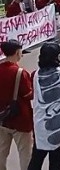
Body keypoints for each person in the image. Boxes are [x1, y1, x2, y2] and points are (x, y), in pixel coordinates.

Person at [28, 43, 60, 170]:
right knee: (56, 164)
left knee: (36, 160)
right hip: (59, 128)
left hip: (40, 127)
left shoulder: (35, 75)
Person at [0, 40, 33, 170]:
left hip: (2, 119)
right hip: (21, 120)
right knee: (26, 154)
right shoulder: (20, 73)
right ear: (17, 52)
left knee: (1, 152)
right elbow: (29, 94)